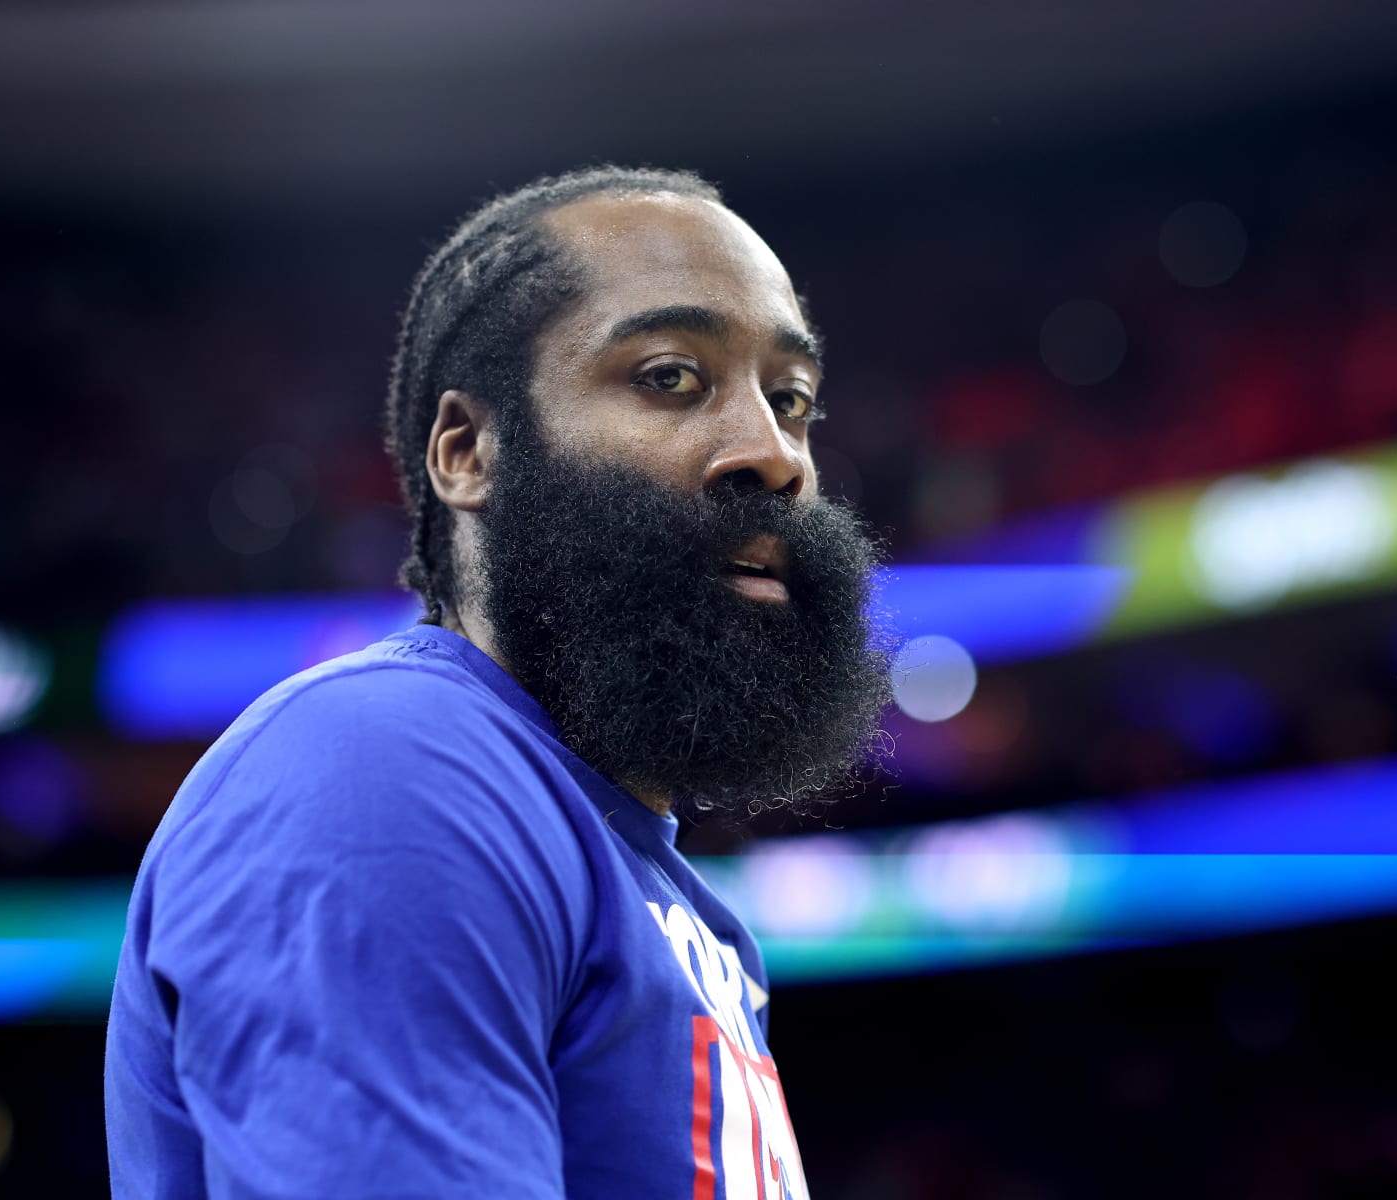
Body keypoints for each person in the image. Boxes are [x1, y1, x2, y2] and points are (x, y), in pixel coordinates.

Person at [104, 165, 892, 1198]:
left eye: (791, 401)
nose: (774, 453)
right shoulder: (389, 763)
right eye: (670, 376)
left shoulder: (677, 905)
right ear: (468, 451)